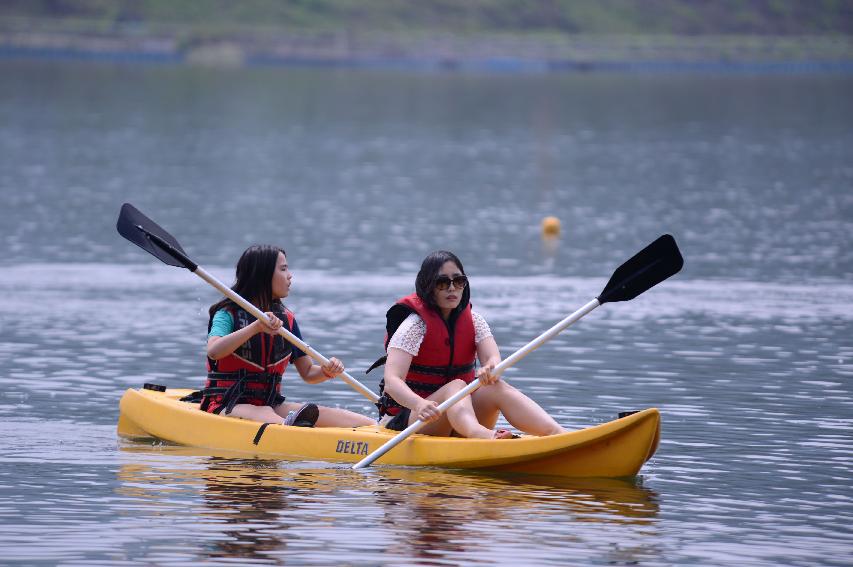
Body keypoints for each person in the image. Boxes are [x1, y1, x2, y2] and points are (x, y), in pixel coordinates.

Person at [370, 250, 565, 439]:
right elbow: (392, 382)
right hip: (409, 420)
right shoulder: (414, 325)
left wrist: (490, 368)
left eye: (459, 281)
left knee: (494, 386)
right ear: (428, 286)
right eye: (442, 282)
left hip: (458, 415)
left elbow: (492, 358)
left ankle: (557, 434)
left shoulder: (474, 321)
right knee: (456, 386)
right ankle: (479, 434)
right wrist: (419, 404)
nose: (452, 288)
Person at [199, 244, 375, 428]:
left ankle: (375, 428)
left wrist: (325, 371)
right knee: (263, 413)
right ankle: (297, 431)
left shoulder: (286, 320)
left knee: (341, 418)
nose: (290, 275)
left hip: (270, 403)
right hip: (225, 403)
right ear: (263, 275)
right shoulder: (227, 314)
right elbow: (214, 351)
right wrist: (255, 327)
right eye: (283, 269)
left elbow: (307, 373)